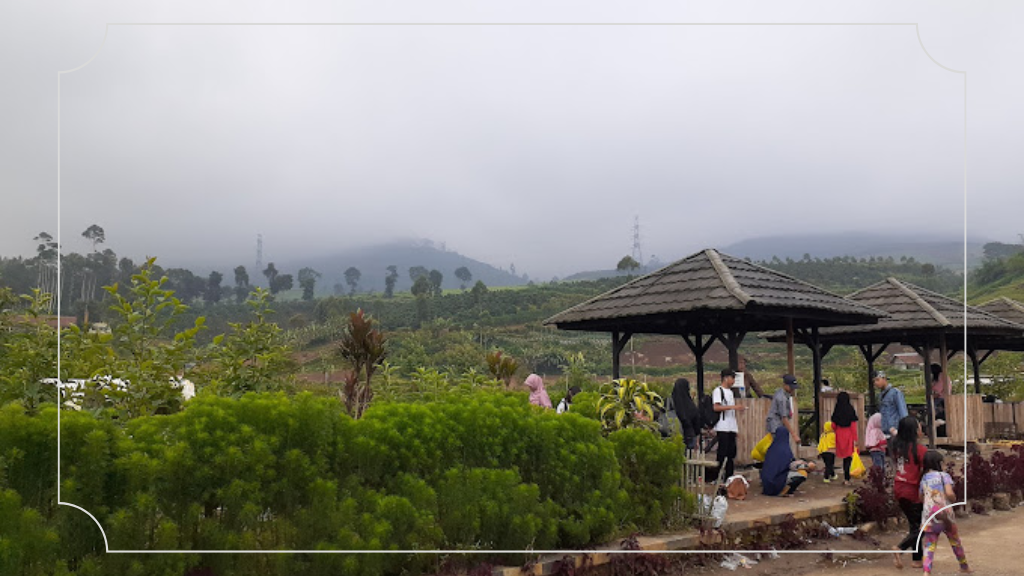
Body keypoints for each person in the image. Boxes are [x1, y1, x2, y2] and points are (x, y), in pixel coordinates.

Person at [919, 450, 972, 574]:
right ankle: (964, 566)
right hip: (946, 515)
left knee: (929, 545)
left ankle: (926, 571)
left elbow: (920, 497)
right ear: (938, 463)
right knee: (955, 541)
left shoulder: (924, 479)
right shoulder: (944, 476)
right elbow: (949, 493)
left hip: (929, 516)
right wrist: (953, 499)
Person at [891, 416, 928, 569]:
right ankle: (900, 548)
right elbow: (926, 471)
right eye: (919, 427)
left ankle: (917, 559)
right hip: (912, 491)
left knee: (914, 525)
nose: (921, 429)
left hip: (899, 488)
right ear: (914, 431)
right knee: (924, 526)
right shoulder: (920, 450)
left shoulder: (897, 448)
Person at [713, 368, 746, 482]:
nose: (733, 381)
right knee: (722, 453)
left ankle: (729, 476)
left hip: (731, 426)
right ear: (725, 378)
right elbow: (716, 407)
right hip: (722, 426)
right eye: (732, 378)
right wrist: (733, 407)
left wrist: (735, 429)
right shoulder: (718, 391)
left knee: (731, 453)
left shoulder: (730, 392)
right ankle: (719, 476)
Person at [761, 426, 812, 496]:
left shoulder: (771, 449)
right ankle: (783, 490)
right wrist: (804, 465)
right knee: (802, 473)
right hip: (776, 482)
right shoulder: (785, 449)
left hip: (767, 486)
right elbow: (790, 465)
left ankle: (782, 490)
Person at [831, 391, 860, 485]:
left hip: (839, 434)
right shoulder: (850, 409)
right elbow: (853, 426)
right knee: (849, 457)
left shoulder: (837, 409)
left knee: (843, 456)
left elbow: (833, 425)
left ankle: (844, 477)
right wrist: (855, 439)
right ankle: (848, 478)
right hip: (849, 434)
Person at [875, 371, 908, 439]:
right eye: (874, 381)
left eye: (877, 380)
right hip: (884, 431)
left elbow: (903, 412)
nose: (876, 383)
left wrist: (904, 429)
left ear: (884, 379)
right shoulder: (880, 395)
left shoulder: (895, 393)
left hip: (895, 430)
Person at [766, 375, 800, 442]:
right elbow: (784, 418)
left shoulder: (782, 393)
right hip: (776, 427)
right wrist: (794, 435)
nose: (793, 389)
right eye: (791, 387)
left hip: (779, 426)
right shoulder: (781, 398)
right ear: (785, 385)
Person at [671, 378, 701, 450]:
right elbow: (697, 422)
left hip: (671, 434)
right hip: (689, 435)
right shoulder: (690, 405)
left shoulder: (669, 402)